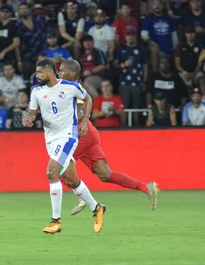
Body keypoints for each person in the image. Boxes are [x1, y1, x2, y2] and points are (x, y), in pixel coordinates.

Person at [58, 59, 158, 215]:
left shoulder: (73, 89)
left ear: (71, 74)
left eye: (62, 70)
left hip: (81, 133)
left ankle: (82, 197)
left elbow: (79, 110)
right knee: (105, 175)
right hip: (89, 133)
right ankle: (146, 187)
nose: (59, 72)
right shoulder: (69, 88)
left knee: (59, 166)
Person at [22, 58, 105, 234]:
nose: (37, 76)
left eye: (40, 72)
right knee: (71, 179)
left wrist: (84, 120)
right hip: (50, 139)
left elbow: (88, 98)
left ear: (50, 72)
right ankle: (97, 208)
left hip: (68, 136)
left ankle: (56, 221)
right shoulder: (36, 92)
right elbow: (31, 113)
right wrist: (27, 118)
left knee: (51, 172)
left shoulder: (70, 87)